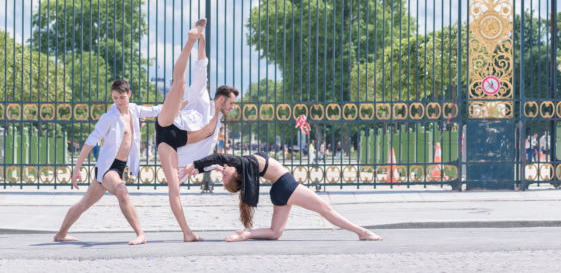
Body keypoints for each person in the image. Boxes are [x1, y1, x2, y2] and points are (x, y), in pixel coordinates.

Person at [154, 18, 239, 242]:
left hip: (170, 144)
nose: (233, 107)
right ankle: (189, 40)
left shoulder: (218, 123)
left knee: (175, 190)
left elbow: (208, 153)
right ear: (221, 99)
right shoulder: (202, 100)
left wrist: (221, 169)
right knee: (180, 84)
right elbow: (201, 67)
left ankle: (187, 233)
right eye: (231, 103)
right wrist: (200, 39)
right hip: (169, 124)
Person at [179, 152, 382, 242]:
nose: (223, 170)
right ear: (236, 175)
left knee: (275, 232)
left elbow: (218, 164)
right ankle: (361, 232)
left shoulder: (243, 168)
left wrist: (203, 169)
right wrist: (195, 165)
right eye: (224, 175)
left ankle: (246, 234)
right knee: (325, 209)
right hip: (286, 185)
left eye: (223, 173)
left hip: (279, 190)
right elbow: (219, 157)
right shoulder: (241, 165)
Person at [53, 79, 162, 245]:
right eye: (115, 98)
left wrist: (179, 105)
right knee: (121, 190)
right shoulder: (108, 117)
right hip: (107, 168)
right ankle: (141, 234)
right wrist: (76, 170)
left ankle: (60, 234)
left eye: (122, 97)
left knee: (84, 204)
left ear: (129, 95)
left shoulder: (134, 110)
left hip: (119, 167)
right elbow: (90, 142)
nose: (118, 101)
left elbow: (156, 110)